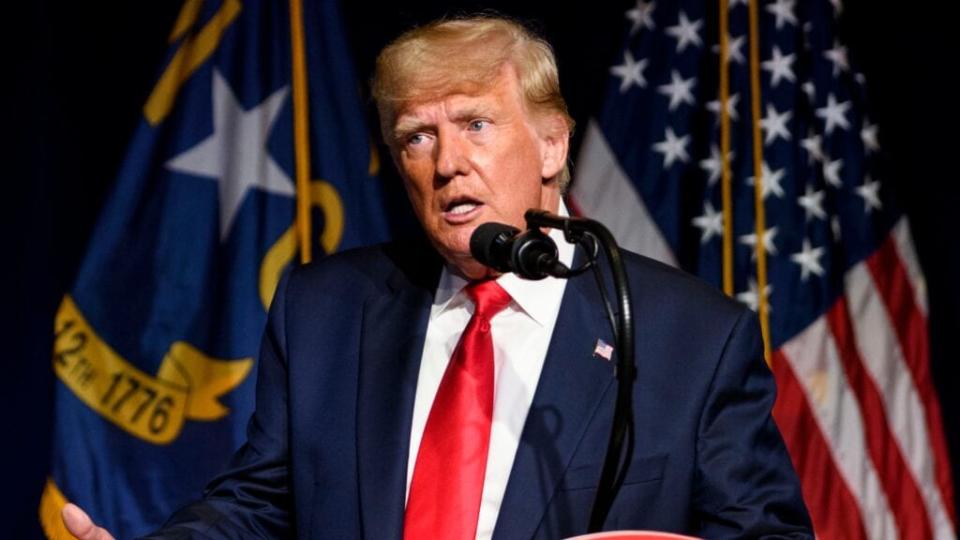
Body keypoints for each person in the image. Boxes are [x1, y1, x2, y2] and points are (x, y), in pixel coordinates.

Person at [62, 15, 813, 539]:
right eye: (416, 137)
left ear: (552, 144)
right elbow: (260, 503)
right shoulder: (325, 311)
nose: (446, 161)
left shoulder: (691, 337)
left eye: (475, 124)